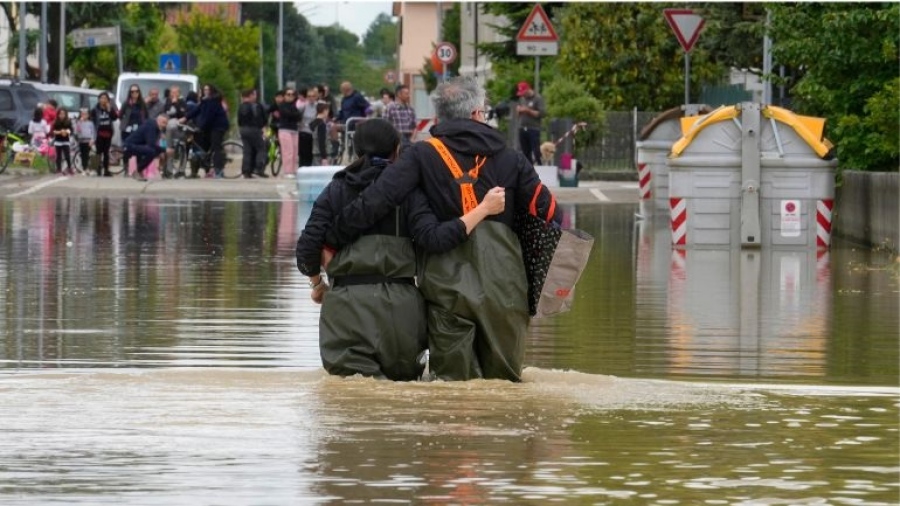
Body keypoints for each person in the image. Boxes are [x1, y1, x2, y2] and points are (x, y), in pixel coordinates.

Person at [323, 76, 560, 383]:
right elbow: (550, 212)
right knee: (505, 385)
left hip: (446, 284)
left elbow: (375, 201)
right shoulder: (511, 158)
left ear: (439, 116)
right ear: (477, 114)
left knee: (453, 388)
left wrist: (331, 239)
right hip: (504, 284)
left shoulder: (421, 155)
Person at [295, 118, 505, 381]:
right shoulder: (410, 193)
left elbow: (306, 250)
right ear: (397, 150)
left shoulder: (335, 191)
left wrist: (317, 284)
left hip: (346, 307)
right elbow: (435, 239)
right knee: (402, 398)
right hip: (402, 312)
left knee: (349, 406)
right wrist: (483, 209)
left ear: (356, 149)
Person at [182, 84, 229, 178]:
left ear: (212, 91)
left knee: (217, 148)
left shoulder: (214, 101)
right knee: (204, 148)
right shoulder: (205, 101)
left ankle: (218, 171)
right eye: (204, 90)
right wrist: (185, 118)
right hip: (209, 127)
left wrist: (200, 127)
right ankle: (200, 170)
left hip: (217, 126)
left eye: (207, 89)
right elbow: (197, 110)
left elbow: (209, 117)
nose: (205, 91)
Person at [328, 81, 370, 162]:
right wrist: (335, 118)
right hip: (345, 123)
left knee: (356, 130)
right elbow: (342, 112)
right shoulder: (344, 99)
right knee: (333, 127)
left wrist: (364, 116)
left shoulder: (357, 97)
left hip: (355, 123)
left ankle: (355, 152)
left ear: (346, 90)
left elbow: (367, 107)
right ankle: (335, 149)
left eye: (342, 90)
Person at [123, 114, 167, 182]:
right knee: (151, 151)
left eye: (166, 123)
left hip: (137, 145)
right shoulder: (151, 126)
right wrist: (163, 150)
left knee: (153, 151)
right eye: (163, 122)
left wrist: (161, 151)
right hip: (129, 146)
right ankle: (138, 171)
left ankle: (139, 171)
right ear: (158, 120)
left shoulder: (155, 127)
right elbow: (151, 144)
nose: (165, 125)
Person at [237, 88, 268, 179]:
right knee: (261, 148)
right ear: (251, 95)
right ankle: (258, 168)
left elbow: (239, 120)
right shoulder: (255, 106)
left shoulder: (241, 106)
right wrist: (262, 127)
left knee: (247, 151)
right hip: (254, 129)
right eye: (254, 94)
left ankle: (246, 171)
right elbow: (261, 119)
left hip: (243, 129)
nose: (256, 96)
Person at [515, 81, 545, 165]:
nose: (522, 95)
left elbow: (541, 113)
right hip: (522, 127)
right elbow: (519, 114)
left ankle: (540, 166)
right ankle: (529, 169)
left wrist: (528, 110)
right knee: (525, 151)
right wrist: (519, 111)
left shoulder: (537, 98)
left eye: (523, 93)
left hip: (533, 128)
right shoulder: (522, 99)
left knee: (536, 151)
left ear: (528, 89)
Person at [90, 92, 118, 177]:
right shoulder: (95, 109)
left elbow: (114, 118)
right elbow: (92, 120)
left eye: (105, 98)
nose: (103, 100)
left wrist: (109, 109)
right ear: (99, 99)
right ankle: (96, 170)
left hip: (108, 133)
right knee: (98, 151)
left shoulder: (109, 108)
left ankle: (106, 170)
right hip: (98, 133)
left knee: (106, 152)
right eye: (102, 98)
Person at [162, 86, 188, 178]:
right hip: (169, 128)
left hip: (180, 128)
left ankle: (181, 170)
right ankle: (169, 170)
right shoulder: (167, 101)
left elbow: (183, 114)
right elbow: (165, 111)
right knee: (169, 149)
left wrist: (176, 103)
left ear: (179, 93)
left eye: (175, 92)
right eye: (171, 92)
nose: (173, 94)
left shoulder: (182, 102)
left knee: (182, 148)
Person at [276, 87, 301, 178]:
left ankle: (293, 170)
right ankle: (287, 171)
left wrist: (294, 115)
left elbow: (299, 116)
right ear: (284, 96)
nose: (290, 96)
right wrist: (294, 115)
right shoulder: (282, 105)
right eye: (288, 94)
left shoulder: (294, 106)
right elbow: (287, 114)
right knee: (288, 151)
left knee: (295, 151)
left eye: (292, 94)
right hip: (284, 130)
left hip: (294, 130)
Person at [384, 84, 417, 151]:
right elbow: (385, 126)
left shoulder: (410, 109)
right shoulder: (390, 107)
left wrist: (412, 139)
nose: (409, 96)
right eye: (406, 94)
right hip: (395, 141)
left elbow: (415, 126)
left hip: (409, 140)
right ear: (399, 94)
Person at [51, 108, 74, 175]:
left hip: (66, 141)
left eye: (63, 114)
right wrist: (60, 132)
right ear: (58, 114)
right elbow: (54, 131)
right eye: (60, 114)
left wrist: (66, 132)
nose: (62, 115)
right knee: (58, 156)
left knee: (67, 155)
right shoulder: (55, 122)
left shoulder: (68, 121)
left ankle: (69, 168)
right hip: (58, 141)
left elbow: (71, 130)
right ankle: (59, 168)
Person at [74, 108, 95, 174]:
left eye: (86, 114)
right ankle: (84, 168)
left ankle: (91, 168)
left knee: (90, 154)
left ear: (88, 115)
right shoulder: (79, 122)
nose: (84, 116)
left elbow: (93, 132)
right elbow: (77, 131)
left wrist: (92, 139)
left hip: (89, 141)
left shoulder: (90, 123)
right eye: (82, 114)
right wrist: (79, 123)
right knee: (83, 155)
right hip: (81, 140)